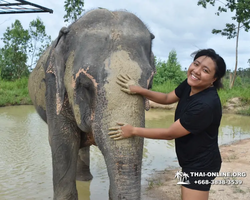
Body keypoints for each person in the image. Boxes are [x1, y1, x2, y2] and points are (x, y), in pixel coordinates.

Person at [108, 48, 226, 200]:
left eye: (205, 70)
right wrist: (139, 90)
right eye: (195, 64)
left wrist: (133, 131)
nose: (196, 71)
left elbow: (169, 133)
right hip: (191, 160)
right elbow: (166, 98)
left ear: (214, 79)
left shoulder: (205, 105)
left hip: (201, 165)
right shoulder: (191, 84)